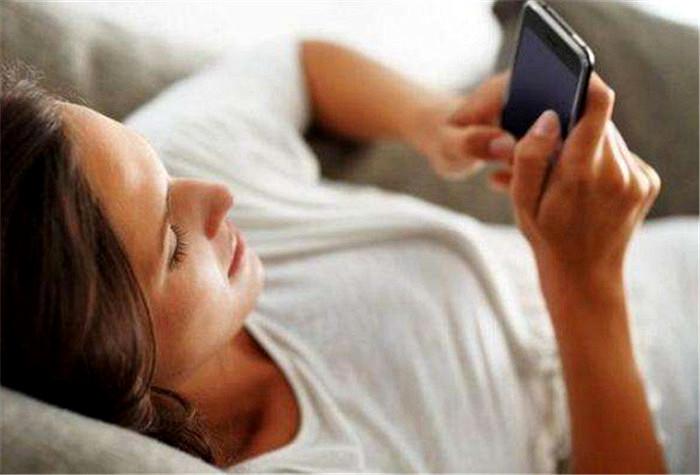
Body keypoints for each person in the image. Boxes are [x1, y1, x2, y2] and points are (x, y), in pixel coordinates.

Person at [1, 38, 697, 473]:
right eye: (174, 247)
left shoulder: (133, 187)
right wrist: (585, 283)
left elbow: (295, 63)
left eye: (162, 169)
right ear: (113, 363)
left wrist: (432, 121)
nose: (216, 195)